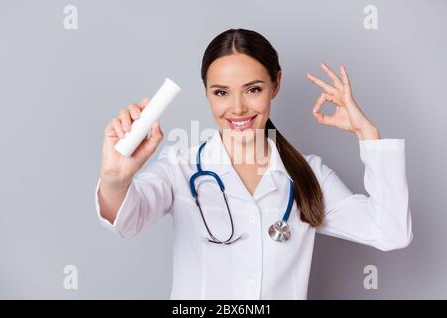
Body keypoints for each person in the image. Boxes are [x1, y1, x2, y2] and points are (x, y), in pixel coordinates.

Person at [94, 28, 412, 299]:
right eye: (221, 92)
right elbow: (126, 220)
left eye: (253, 90)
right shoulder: (181, 167)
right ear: (206, 93)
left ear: (276, 84)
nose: (238, 108)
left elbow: (390, 232)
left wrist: (368, 135)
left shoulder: (308, 175)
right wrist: (114, 178)